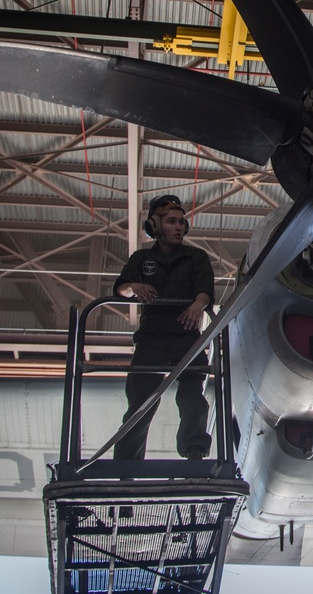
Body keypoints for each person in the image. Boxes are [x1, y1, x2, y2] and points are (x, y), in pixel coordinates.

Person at [113, 194, 214, 461]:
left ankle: (194, 450)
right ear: (155, 227)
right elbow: (121, 289)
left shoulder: (196, 257)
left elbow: (205, 293)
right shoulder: (141, 258)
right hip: (151, 339)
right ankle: (127, 463)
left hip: (186, 337)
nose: (179, 227)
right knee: (141, 403)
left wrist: (197, 306)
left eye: (182, 222)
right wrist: (135, 287)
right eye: (171, 221)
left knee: (193, 398)